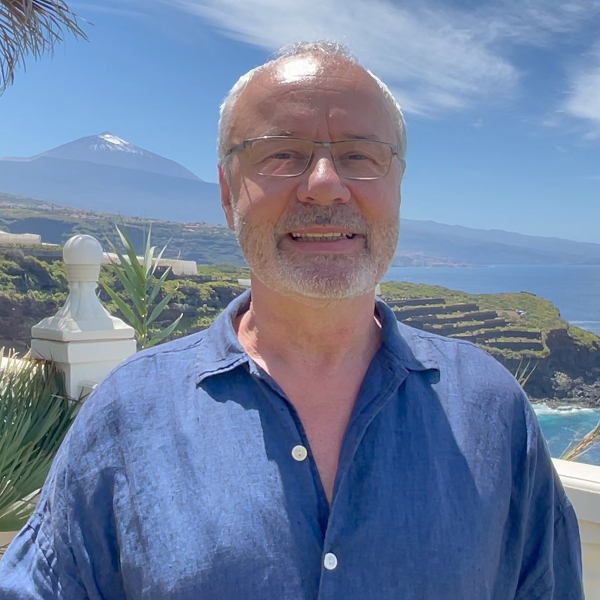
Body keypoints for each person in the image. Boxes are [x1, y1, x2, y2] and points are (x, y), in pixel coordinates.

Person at [0, 41, 583, 599]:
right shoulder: (127, 416)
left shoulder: (492, 410)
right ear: (229, 194)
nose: (326, 184)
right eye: (282, 152)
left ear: (397, 186)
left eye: (360, 155)